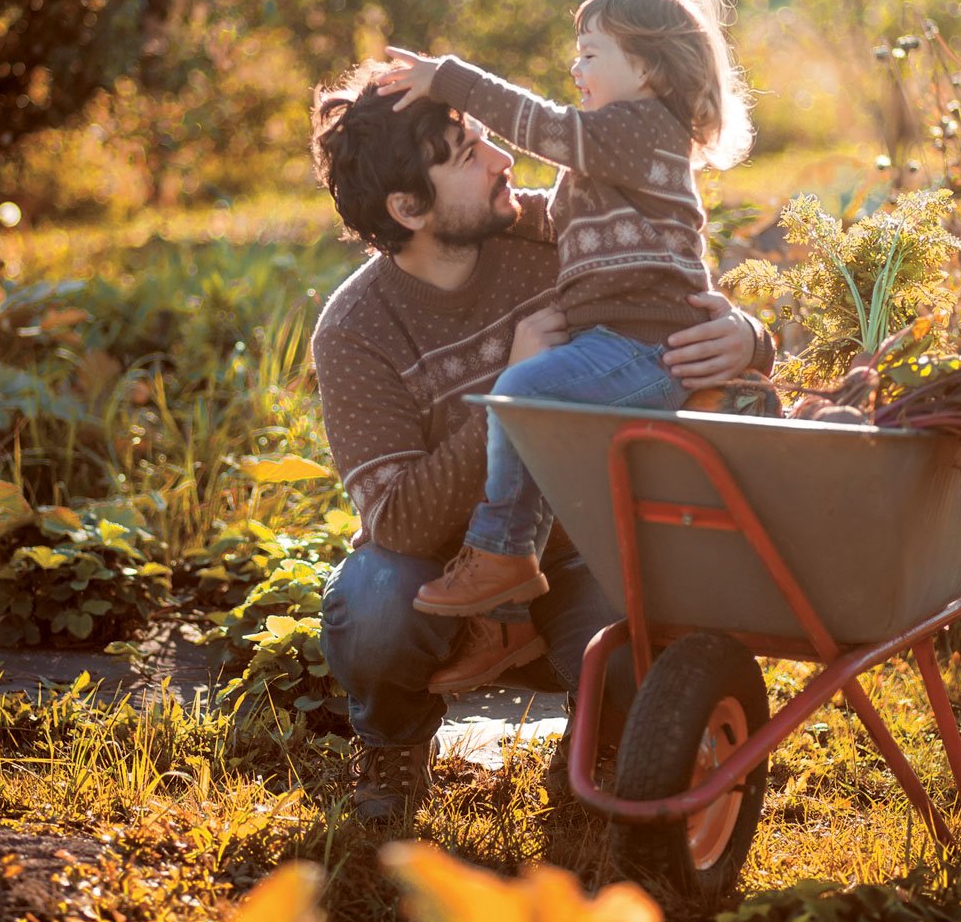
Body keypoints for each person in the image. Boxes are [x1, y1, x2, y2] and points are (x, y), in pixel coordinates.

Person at [308, 64, 773, 820]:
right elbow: (394, 520)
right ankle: (392, 749)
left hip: (584, 542)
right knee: (373, 603)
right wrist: (514, 396)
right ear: (408, 206)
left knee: (646, 661)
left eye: (488, 139)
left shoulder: (557, 229)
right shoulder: (356, 330)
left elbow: (684, 308)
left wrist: (744, 339)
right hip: (447, 572)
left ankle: (599, 743)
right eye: (467, 155)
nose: (504, 161)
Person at [371, 0, 755, 667]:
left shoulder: (640, 129)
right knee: (539, 435)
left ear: (644, 68)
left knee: (525, 392)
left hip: (647, 346)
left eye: (590, 53)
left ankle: (499, 554)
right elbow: (550, 213)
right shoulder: (603, 163)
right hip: (621, 342)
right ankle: (510, 613)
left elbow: (545, 129)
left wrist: (448, 79)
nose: (574, 67)